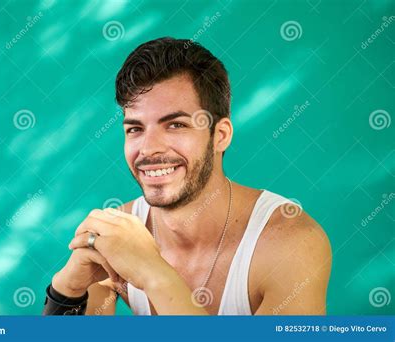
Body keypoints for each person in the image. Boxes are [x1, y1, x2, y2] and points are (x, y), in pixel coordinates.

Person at [42, 37, 332, 316]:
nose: (149, 148)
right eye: (135, 129)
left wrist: (154, 274)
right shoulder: (119, 234)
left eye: (176, 125)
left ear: (220, 136)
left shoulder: (291, 244)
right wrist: (67, 287)